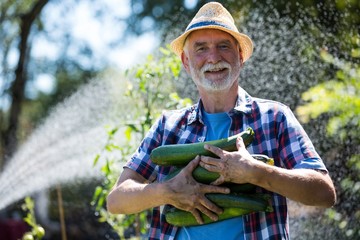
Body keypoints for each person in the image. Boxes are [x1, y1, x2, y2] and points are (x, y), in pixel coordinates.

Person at [107, 2, 336, 239]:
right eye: (201, 48)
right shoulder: (168, 126)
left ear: (240, 56)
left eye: (223, 46)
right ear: (186, 62)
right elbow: (116, 201)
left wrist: (256, 173)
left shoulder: (274, 118)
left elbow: (324, 192)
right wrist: (167, 191)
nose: (213, 57)